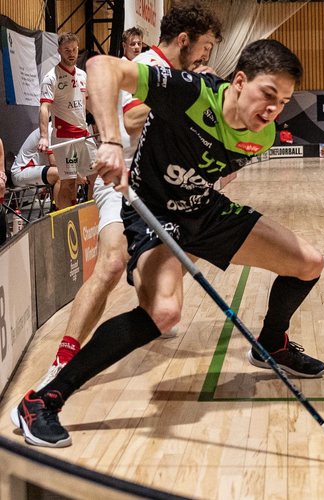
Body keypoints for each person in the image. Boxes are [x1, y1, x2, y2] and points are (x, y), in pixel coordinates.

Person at [12, 39, 324, 449]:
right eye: (268, 95)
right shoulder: (190, 92)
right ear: (239, 81)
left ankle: (271, 343)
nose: (272, 110)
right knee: (163, 310)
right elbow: (104, 66)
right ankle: (42, 401)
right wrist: (110, 142)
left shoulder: (262, 135)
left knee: (309, 263)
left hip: (203, 209)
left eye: (282, 102)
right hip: (153, 211)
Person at [28, 2, 224, 392]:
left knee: (198, 244)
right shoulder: (148, 66)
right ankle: (62, 362)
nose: (206, 56)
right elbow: (133, 121)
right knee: (112, 263)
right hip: (123, 176)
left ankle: (145, 275)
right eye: (205, 47)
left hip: (164, 183)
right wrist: (189, 91)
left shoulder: (182, 74)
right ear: (184, 40)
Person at [38, 32, 96, 210]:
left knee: (97, 177)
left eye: (74, 50)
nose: (71, 54)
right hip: (64, 137)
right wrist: (43, 137)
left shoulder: (82, 75)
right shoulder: (51, 77)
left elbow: (89, 103)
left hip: (84, 135)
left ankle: (92, 217)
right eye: (67, 50)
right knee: (69, 183)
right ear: (59, 51)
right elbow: (44, 107)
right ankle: (67, 220)